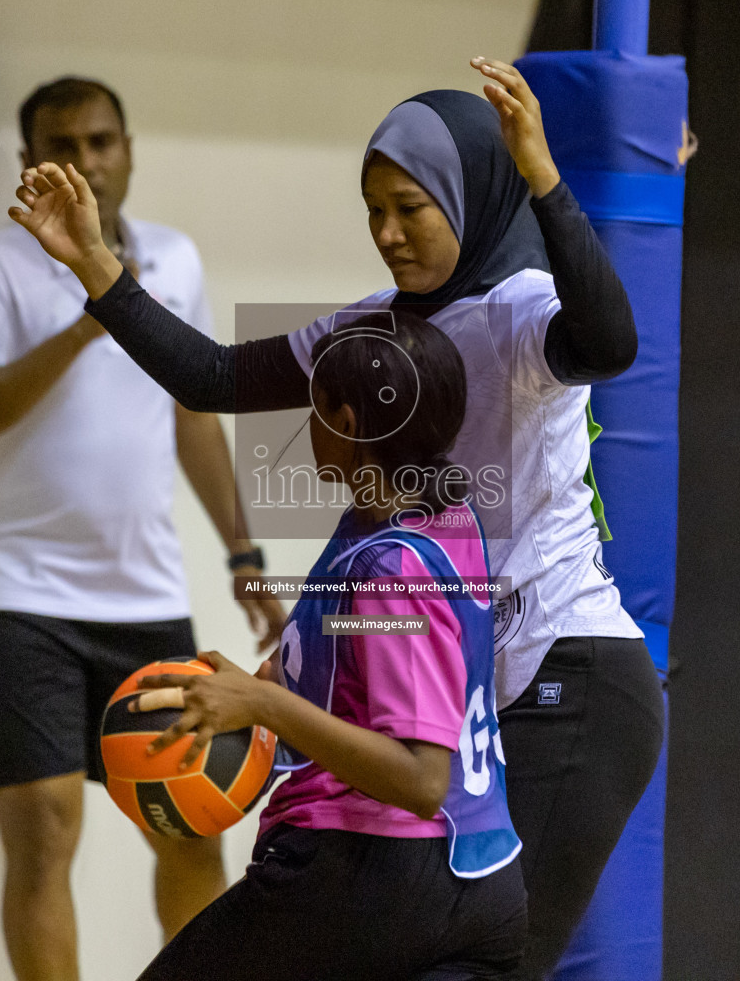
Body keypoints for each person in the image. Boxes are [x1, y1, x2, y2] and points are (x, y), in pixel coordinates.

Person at [9, 57, 665, 981]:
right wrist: (94, 262)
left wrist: (546, 178)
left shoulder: (522, 315)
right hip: (466, 679)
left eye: (411, 208)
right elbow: (215, 377)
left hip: (570, 679)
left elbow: (611, 343)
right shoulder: (372, 337)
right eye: (373, 211)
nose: (387, 233)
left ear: (468, 198)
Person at [0, 76, 284, 980]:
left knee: (191, 818)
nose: (85, 161)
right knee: (46, 826)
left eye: (101, 142)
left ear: (128, 150)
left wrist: (242, 551)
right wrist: (95, 318)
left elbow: (193, 415)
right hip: (18, 593)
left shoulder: (177, 261)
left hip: (145, 595)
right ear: (28, 162)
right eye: (63, 145)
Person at [130, 312, 526, 980]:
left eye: (311, 406)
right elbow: (375, 655)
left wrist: (262, 704)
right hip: (480, 882)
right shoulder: (439, 516)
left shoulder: (391, 568)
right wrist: (279, 680)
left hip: (379, 870)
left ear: (345, 422)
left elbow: (421, 777)